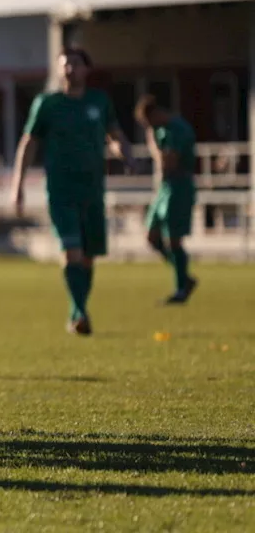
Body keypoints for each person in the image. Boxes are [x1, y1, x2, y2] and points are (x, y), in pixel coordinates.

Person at [11, 48, 134, 335]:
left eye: (75, 65)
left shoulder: (98, 102)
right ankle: (79, 312)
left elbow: (114, 135)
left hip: (92, 189)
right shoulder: (47, 104)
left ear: (86, 69)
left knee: (89, 256)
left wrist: (125, 154)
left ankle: (77, 309)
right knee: (72, 252)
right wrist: (18, 186)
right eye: (64, 65)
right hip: (61, 190)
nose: (69, 70)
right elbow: (28, 143)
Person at [135, 95, 199, 305]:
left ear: (155, 114)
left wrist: (152, 144)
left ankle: (181, 288)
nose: (150, 129)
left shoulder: (178, 129)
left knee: (173, 239)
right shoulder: (161, 130)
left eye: (149, 124)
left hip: (179, 187)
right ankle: (184, 276)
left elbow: (167, 163)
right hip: (165, 188)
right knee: (152, 236)